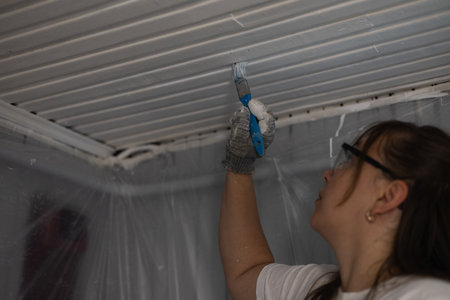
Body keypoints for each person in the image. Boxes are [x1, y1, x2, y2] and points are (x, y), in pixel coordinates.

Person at [219, 100, 450, 300]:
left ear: (388, 197)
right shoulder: (317, 288)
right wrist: (240, 165)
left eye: (349, 159)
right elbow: (245, 274)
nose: (327, 174)